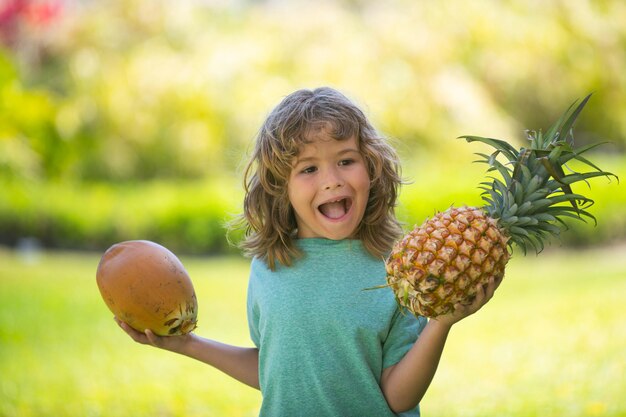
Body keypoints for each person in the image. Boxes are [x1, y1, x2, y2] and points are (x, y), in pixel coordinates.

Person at [116, 87, 499, 416]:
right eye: (308, 169)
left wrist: (441, 323)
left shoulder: (399, 269)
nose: (332, 181)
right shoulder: (269, 266)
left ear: (373, 168)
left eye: (346, 161)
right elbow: (275, 370)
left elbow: (397, 397)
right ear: (279, 187)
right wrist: (187, 343)